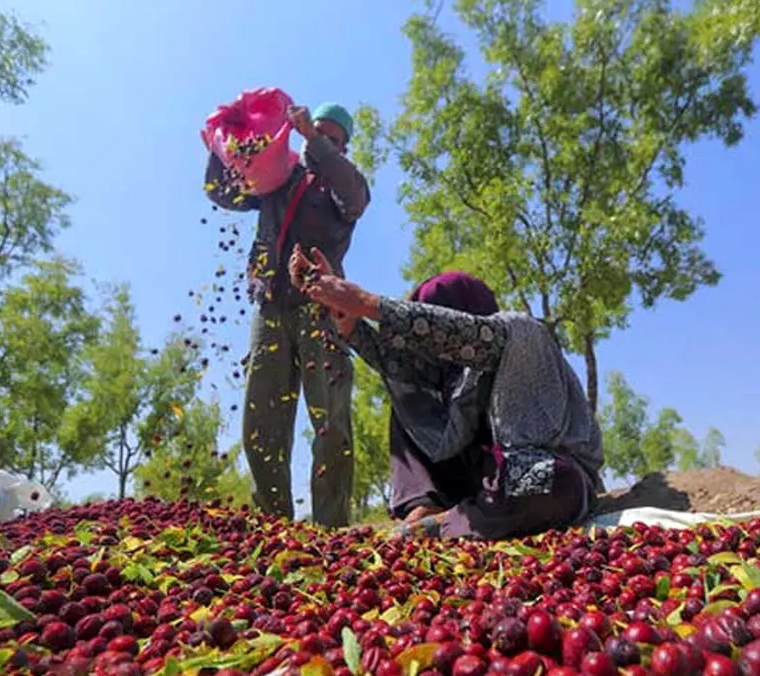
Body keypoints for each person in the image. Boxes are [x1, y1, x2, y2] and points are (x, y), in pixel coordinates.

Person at [289, 247, 605, 540]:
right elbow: (393, 359)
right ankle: (427, 507)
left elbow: (459, 334)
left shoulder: (517, 333)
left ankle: (447, 525)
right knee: (408, 393)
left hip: (539, 472)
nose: (430, 353)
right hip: (477, 485)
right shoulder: (447, 376)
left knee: (552, 482)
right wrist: (347, 316)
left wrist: (367, 303)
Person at [204, 102, 370, 528]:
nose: (323, 141)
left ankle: (332, 531)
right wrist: (222, 142)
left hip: (322, 308)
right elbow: (227, 192)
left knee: (330, 421)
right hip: (272, 305)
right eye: (318, 132)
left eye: (333, 139)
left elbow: (354, 199)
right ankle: (274, 529)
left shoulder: (344, 184)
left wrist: (314, 143)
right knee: (262, 421)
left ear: (342, 146)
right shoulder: (280, 178)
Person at [385, 274, 499, 524]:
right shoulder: (427, 375)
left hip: (502, 482)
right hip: (448, 488)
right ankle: (424, 501)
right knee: (407, 398)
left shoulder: (505, 353)